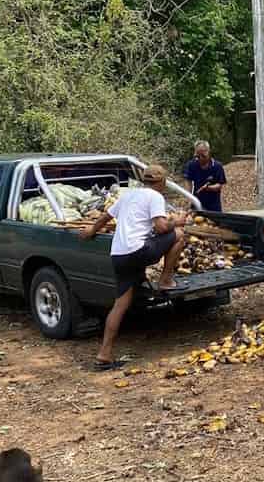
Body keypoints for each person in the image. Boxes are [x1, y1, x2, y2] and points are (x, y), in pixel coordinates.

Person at [80, 165, 189, 371]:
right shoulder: (155, 196)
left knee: (120, 304)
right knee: (180, 235)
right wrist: (178, 222)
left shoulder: (129, 195)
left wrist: (91, 230)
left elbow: (106, 216)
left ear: (143, 179)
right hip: (138, 251)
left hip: (119, 255)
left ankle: (104, 354)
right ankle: (165, 280)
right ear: (162, 182)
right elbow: (161, 227)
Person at [183, 140, 226, 212]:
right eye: (197, 156)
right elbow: (188, 181)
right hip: (197, 203)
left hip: (213, 205)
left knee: (214, 222)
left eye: (203, 155)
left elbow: (219, 185)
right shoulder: (191, 165)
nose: (200, 158)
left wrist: (208, 188)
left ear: (208, 152)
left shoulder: (217, 166)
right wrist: (189, 197)